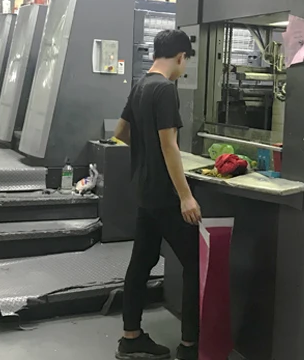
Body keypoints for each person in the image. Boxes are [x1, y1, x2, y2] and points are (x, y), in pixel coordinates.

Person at [113, 29, 202, 360]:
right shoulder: (165, 89)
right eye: (185, 63)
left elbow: (120, 133)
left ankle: (131, 336)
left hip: (144, 192)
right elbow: (170, 145)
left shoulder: (140, 85)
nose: (183, 69)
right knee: (194, 263)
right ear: (180, 57)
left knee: (142, 262)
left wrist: (147, 154)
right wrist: (186, 197)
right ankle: (190, 346)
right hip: (165, 196)